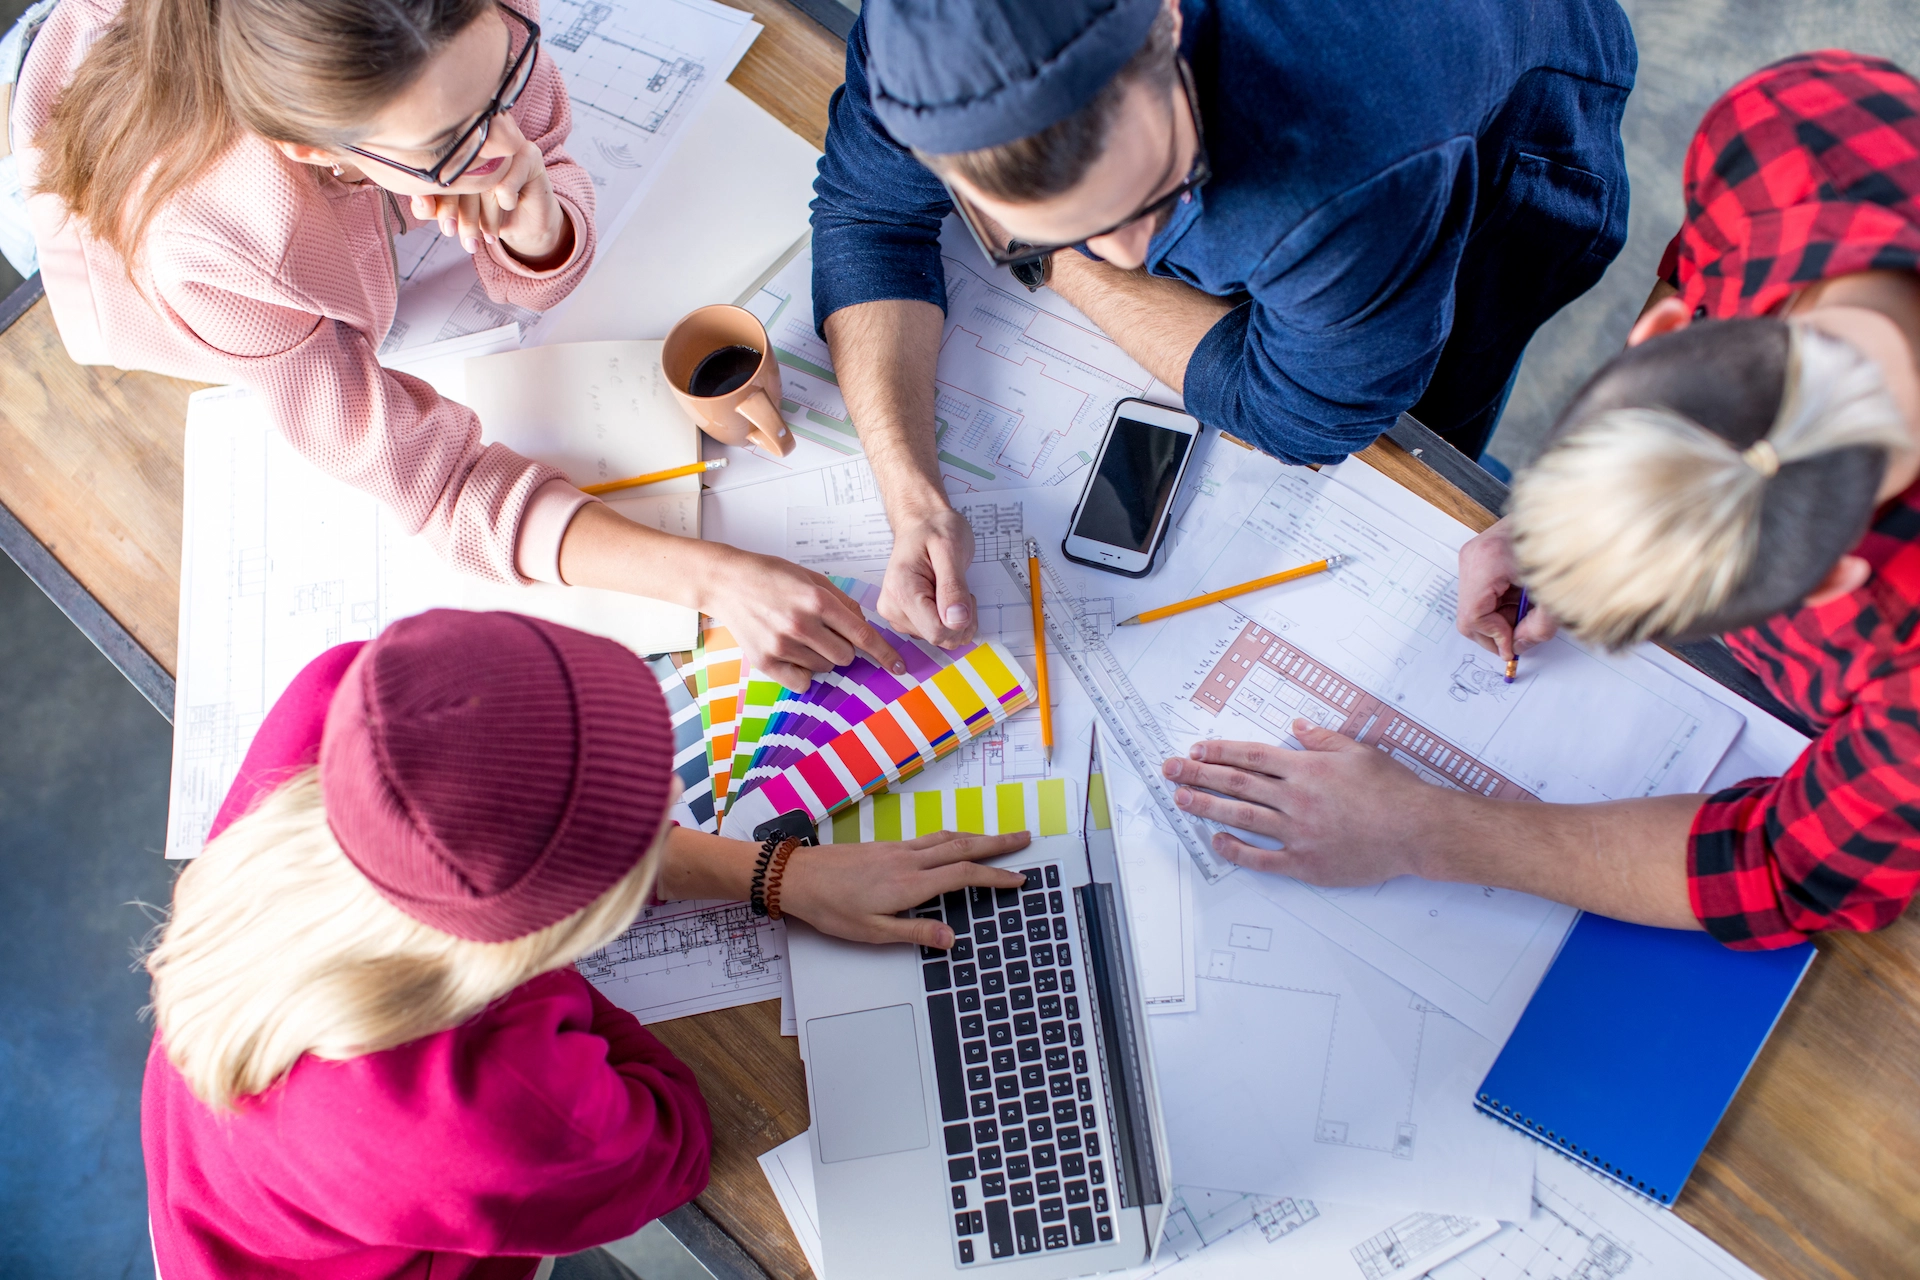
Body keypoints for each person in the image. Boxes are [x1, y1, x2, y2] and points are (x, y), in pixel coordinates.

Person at [1155, 51, 1920, 950]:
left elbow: (1785, 869)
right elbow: (1693, 268)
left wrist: (1421, 829)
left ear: (1831, 581)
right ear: (1664, 336)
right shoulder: (1799, 132)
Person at [13, 0, 893, 691]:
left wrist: (538, 224)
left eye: (501, 82)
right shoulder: (217, 242)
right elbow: (434, 487)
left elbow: (536, 150)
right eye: (447, 142)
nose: (505, 140)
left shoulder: (469, 25)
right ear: (313, 151)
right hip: (67, 139)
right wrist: (713, 581)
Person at [143, 608, 1030, 1278]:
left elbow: (500, 810)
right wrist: (560, 980)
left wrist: (776, 873)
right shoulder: (496, 1112)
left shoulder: (350, 704)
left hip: (221, 1190)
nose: (671, 807)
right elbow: (670, 1141)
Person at [810, 0, 1637, 650]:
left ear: (1170, 20)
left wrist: (1054, 259)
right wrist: (913, 501)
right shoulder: (929, 44)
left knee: (1431, 438)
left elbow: (1308, 417)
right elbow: (868, 216)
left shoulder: (1353, 170)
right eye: (1049, 227)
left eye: (1151, 199)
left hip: (1495, 116)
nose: (1126, 256)